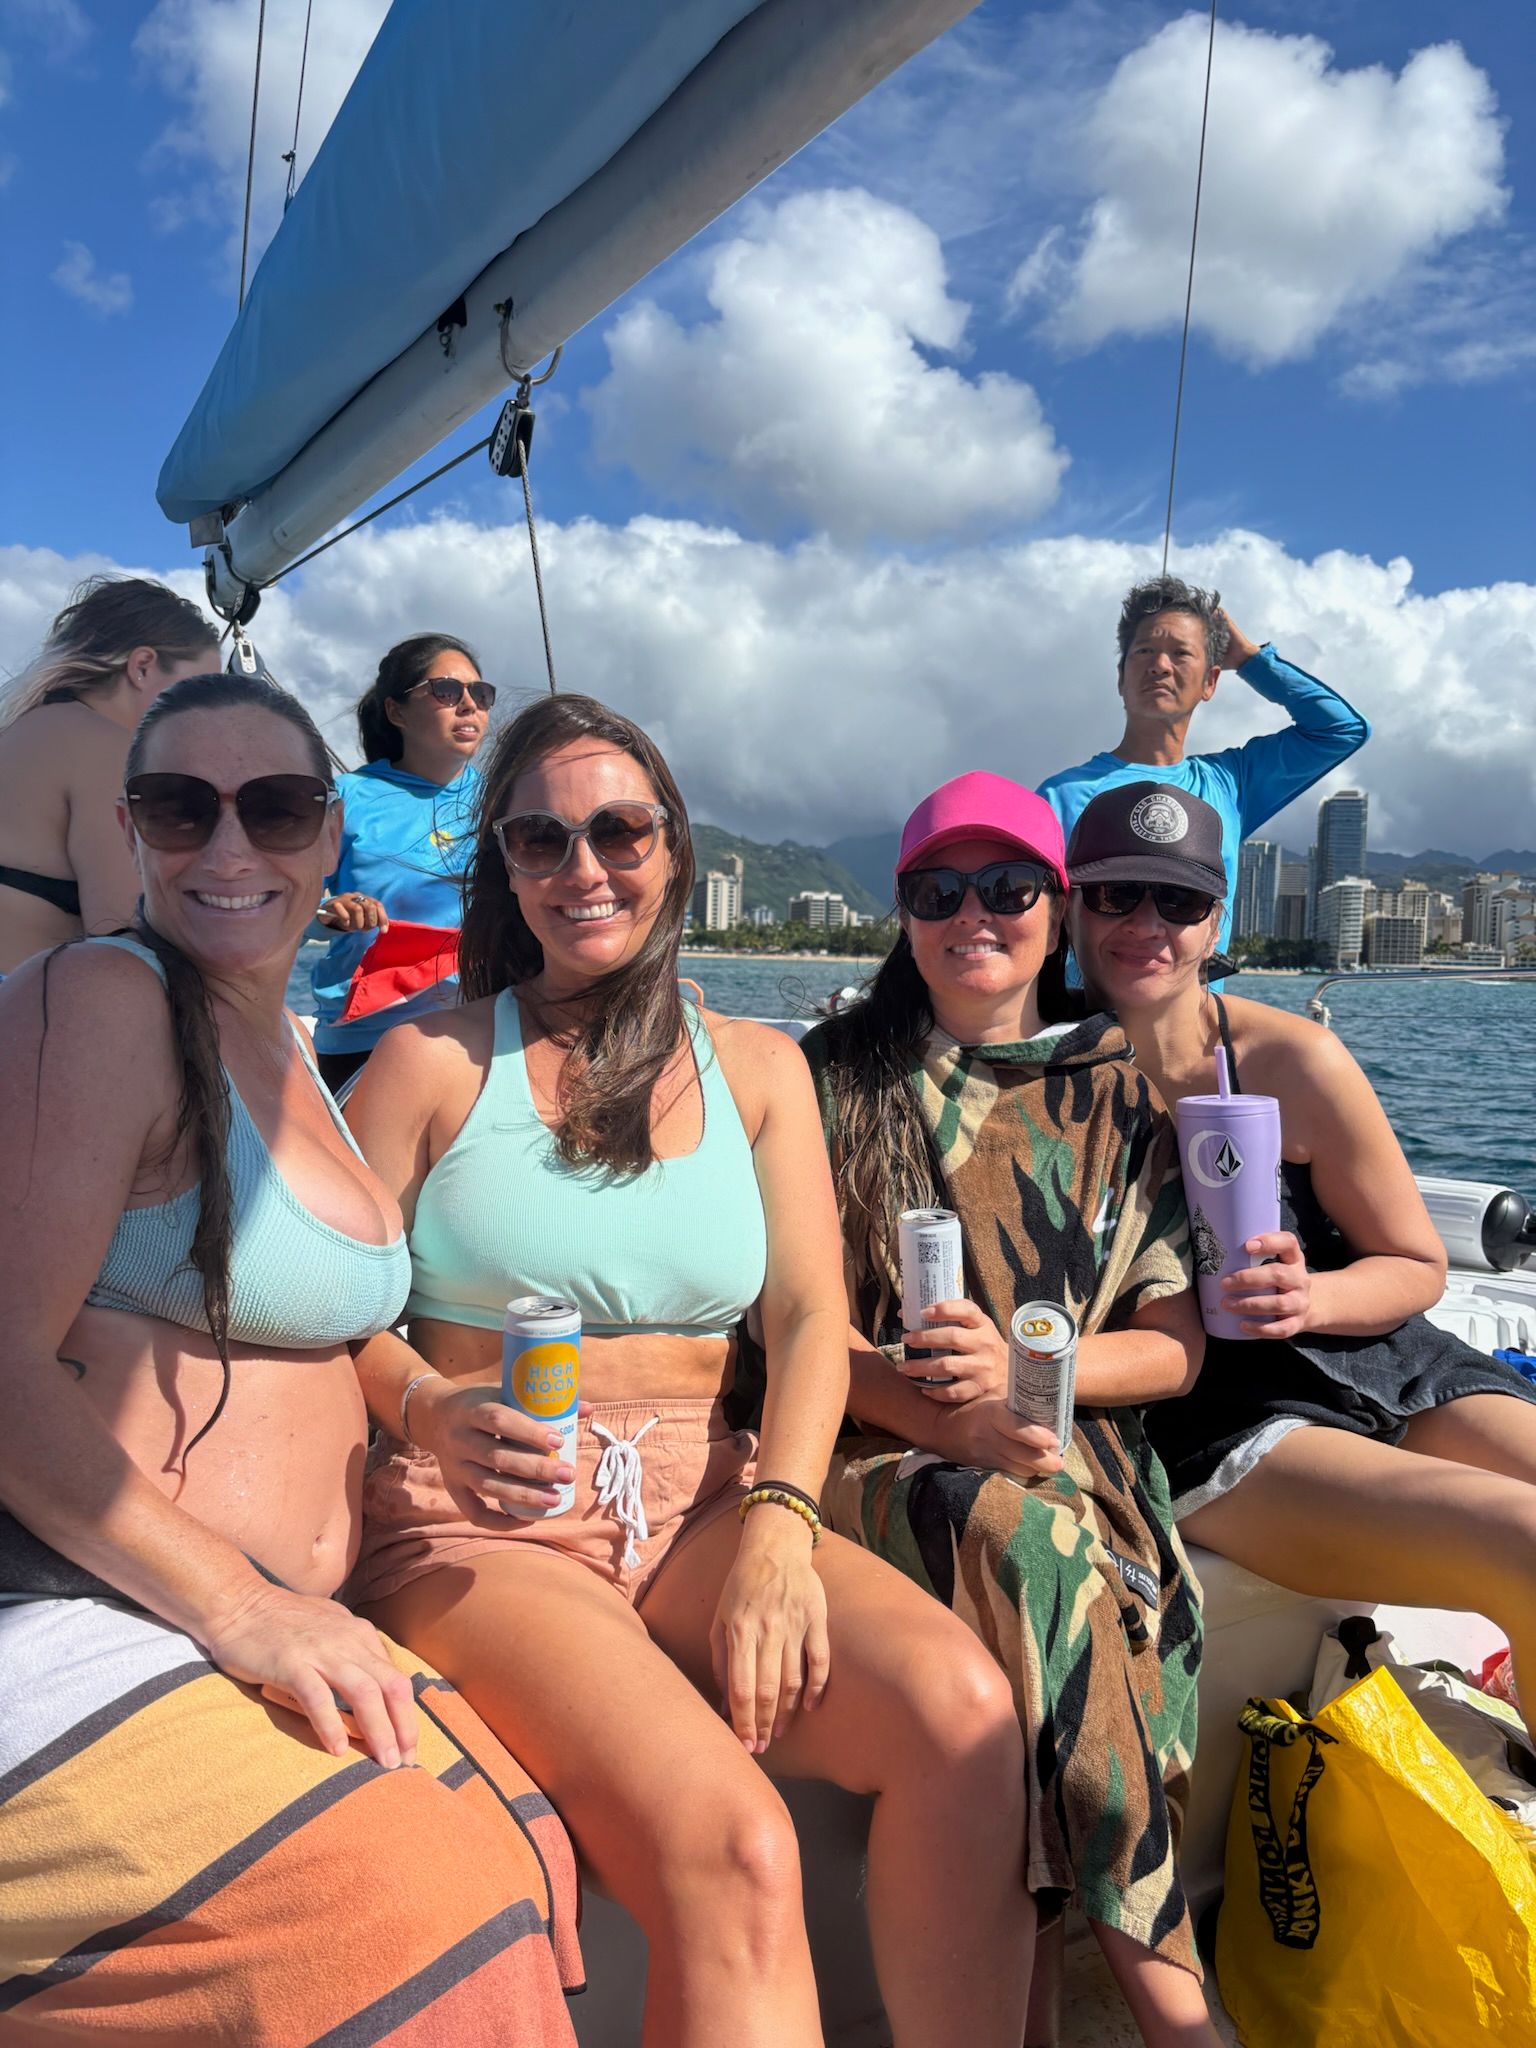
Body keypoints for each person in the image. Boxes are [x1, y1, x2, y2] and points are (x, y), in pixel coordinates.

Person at [344, 695, 1037, 2048]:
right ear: (505, 867)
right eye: (540, 840)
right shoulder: (430, 1058)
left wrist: (782, 1520)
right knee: (736, 1840)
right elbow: (323, 1313)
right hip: (489, 1517)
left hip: (706, 1498)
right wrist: (428, 1404)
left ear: (671, 846)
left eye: (617, 830)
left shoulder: (761, 1070)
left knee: (963, 1719)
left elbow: (807, 1316)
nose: (582, 867)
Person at [0, 672, 580, 2043]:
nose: (229, 848)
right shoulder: (108, 1000)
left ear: (332, 838)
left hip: (218, 1612)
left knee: (532, 1852)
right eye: (179, 808)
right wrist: (243, 1610)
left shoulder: (287, 1043)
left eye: (275, 808)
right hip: (87, 1601)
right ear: (132, 832)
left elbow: (322, 1317)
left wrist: (426, 1404)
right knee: (417, 1912)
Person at [800, 771, 1220, 2048]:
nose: (971, 914)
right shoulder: (829, 1080)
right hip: (869, 1451)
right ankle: (1181, 2018)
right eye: (938, 889)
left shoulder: (1117, 1088)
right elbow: (790, 1339)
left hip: (1075, 1453)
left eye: (1007, 887)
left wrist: (1030, 1380)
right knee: (1024, 1540)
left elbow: (1175, 1347)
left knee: (1044, 1542)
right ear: (905, 911)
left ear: (1055, 906)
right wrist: (940, 1412)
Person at [1066, 780, 1536, 1705]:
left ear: (1215, 921)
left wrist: (1309, 1297)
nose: (1147, 924)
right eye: (1116, 894)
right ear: (1071, 903)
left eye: (1181, 900)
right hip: (1217, 1413)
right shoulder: (1032, 1068)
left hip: (1382, 1360)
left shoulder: (1292, 1062)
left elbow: (1416, 1262)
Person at [1036, 574, 1370, 961]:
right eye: (1144, 651)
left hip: (1194, 1015)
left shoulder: (1231, 784)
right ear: (1120, 678)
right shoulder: (1059, 795)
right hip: (1084, 1014)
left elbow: (1339, 730)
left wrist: (1249, 659)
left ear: (1210, 682)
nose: (1160, 665)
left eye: (1180, 653)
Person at [0, 575, 218, 973]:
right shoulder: (111, 750)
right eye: (197, 690)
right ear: (142, 666)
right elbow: (126, 942)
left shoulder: (22, 732)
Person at [310, 633, 492, 1092]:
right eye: (448, 691)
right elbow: (287, 915)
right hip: (366, 1038)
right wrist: (331, 916)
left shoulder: (504, 800)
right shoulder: (346, 799)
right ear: (397, 712)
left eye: (480, 693)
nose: (469, 705)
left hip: (479, 1033)